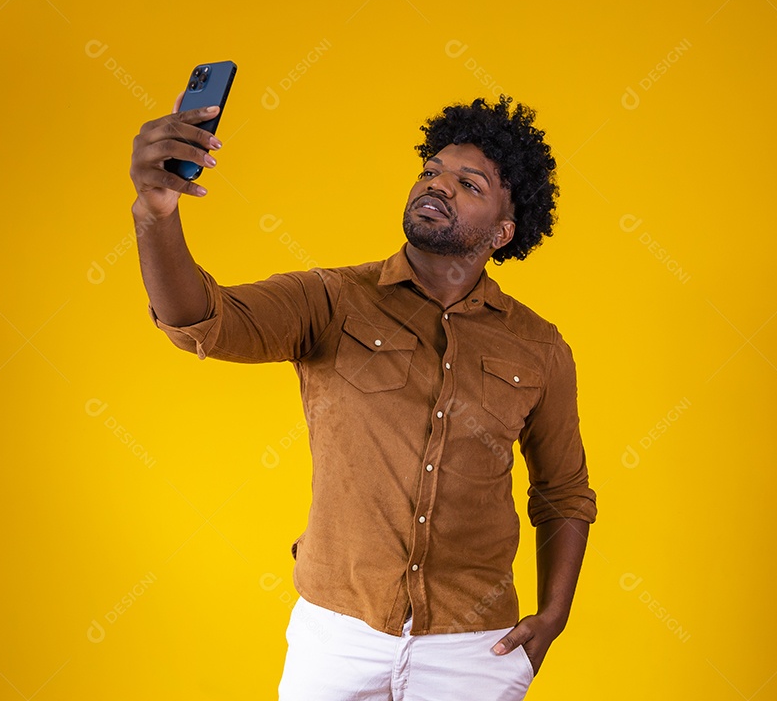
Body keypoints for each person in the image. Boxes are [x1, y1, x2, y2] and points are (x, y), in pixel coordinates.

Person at [129, 92, 597, 700]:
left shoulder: (539, 347)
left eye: (469, 184)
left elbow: (562, 493)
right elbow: (199, 320)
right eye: (431, 171)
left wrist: (553, 615)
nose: (438, 185)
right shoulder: (330, 300)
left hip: (474, 645)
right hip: (337, 635)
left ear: (504, 232)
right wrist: (155, 212)